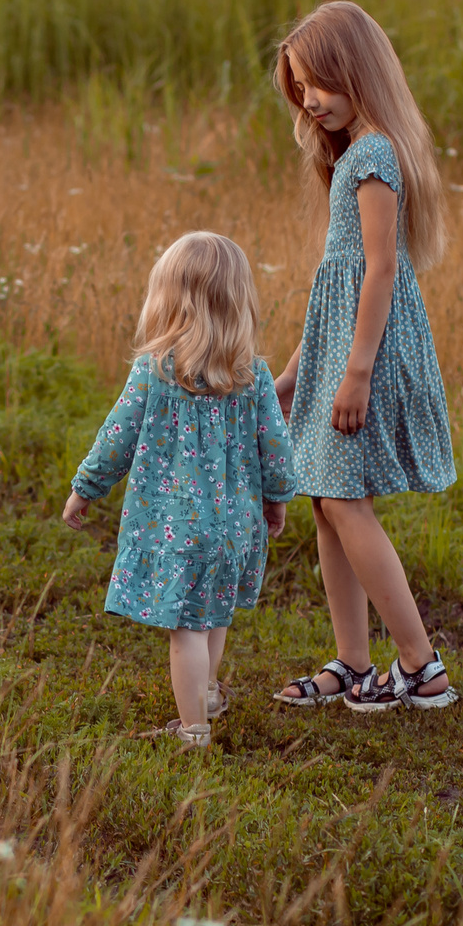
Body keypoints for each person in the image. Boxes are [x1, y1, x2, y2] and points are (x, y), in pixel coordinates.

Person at [265, 1, 460, 713]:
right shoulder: (356, 153)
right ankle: (352, 663)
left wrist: (353, 374)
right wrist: (295, 373)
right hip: (347, 348)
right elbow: (338, 288)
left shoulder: (375, 154)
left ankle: (419, 663)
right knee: (326, 498)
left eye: (318, 81)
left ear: (357, 70)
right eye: (300, 87)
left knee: (345, 498)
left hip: (368, 358)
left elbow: (378, 272)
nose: (309, 99)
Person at [62, 232, 299, 749]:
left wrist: (86, 488)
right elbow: (276, 450)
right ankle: (208, 692)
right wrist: (276, 502)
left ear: (166, 301)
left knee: (185, 630)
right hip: (236, 527)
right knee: (212, 614)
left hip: (177, 531)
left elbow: (115, 440)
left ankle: (193, 730)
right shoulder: (252, 376)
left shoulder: (155, 373)